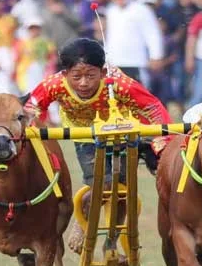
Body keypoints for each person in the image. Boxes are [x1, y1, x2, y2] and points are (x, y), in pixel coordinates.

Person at [24, 38, 172, 252]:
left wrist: (162, 138)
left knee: (123, 190)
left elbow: (152, 107)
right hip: (85, 137)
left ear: (102, 73)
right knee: (101, 183)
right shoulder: (54, 84)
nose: (83, 83)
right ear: (65, 75)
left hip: (121, 132)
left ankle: (111, 244)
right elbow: (32, 108)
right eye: (76, 77)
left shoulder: (119, 83)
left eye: (90, 76)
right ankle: (82, 221)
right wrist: (36, 130)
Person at [106, 0, 164, 86]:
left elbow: (152, 34)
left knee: (138, 95)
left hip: (136, 61)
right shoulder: (111, 11)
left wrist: (156, 55)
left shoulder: (141, 9)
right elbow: (109, 37)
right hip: (115, 62)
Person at [14, 18, 56, 94]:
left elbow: (52, 58)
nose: (34, 30)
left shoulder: (46, 42)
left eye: (36, 28)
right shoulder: (22, 43)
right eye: (31, 28)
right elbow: (16, 59)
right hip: (25, 73)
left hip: (42, 72)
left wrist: (50, 70)